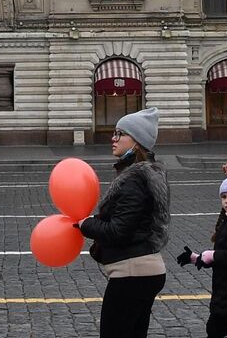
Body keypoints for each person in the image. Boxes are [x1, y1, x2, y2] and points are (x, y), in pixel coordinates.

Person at [77, 106, 171, 338]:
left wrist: (85, 224)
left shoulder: (134, 180)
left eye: (120, 134)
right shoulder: (147, 175)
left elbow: (119, 230)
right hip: (144, 270)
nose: (113, 138)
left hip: (132, 273)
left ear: (137, 142)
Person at [177, 176, 227, 337]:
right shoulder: (226, 221)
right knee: (214, 329)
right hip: (222, 290)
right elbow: (220, 254)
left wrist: (213, 256)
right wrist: (197, 258)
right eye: (223, 197)